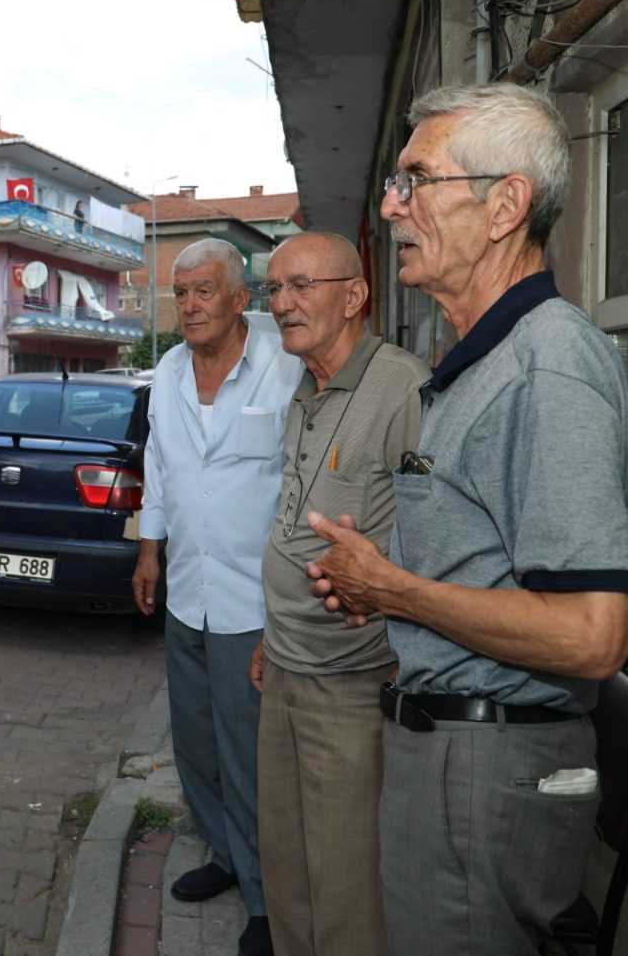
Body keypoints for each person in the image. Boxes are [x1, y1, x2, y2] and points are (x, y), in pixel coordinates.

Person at [306, 83, 628, 956]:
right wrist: (380, 587)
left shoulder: (548, 368)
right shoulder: (480, 361)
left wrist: (396, 590)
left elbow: (591, 633)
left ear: (505, 206)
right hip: (452, 753)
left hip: (488, 770)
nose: (391, 205)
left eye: (417, 179)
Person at [248, 231, 429, 956]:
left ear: (354, 296)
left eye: (301, 287)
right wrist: (270, 633)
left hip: (355, 682)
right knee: (286, 868)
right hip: (287, 669)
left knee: (348, 886)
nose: (284, 304)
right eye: (275, 290)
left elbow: (439, 547)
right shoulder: (307, 386)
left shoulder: (405, 391)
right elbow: (298, 525)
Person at [132, 237, 301, 956]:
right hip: (187, 590)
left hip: (252, 603)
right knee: (196, 742)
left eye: (205, 291)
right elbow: (161, 466)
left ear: (241, 300)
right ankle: (227, 857)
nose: (191, 305)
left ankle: (269, 900)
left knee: (251, 753)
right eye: (182, 293)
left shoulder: (284, 370)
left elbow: (299, 483)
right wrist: (150, 547)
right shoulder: (169, 370)